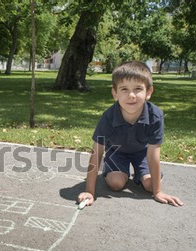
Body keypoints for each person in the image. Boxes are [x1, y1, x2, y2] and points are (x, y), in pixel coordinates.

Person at [77, 61, 183, 207]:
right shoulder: (108, 117)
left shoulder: (155, 116)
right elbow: (97, 153)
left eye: (138, 89)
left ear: (149, 92)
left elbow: (153, 154)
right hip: (117, 152)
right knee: (116, 183)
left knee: (150, 185)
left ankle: (143, 175)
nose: (131, 95)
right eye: (124, 89)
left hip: (143, 153)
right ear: (115, 93)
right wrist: (89, 191)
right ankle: (118, 171)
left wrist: (158, 192)